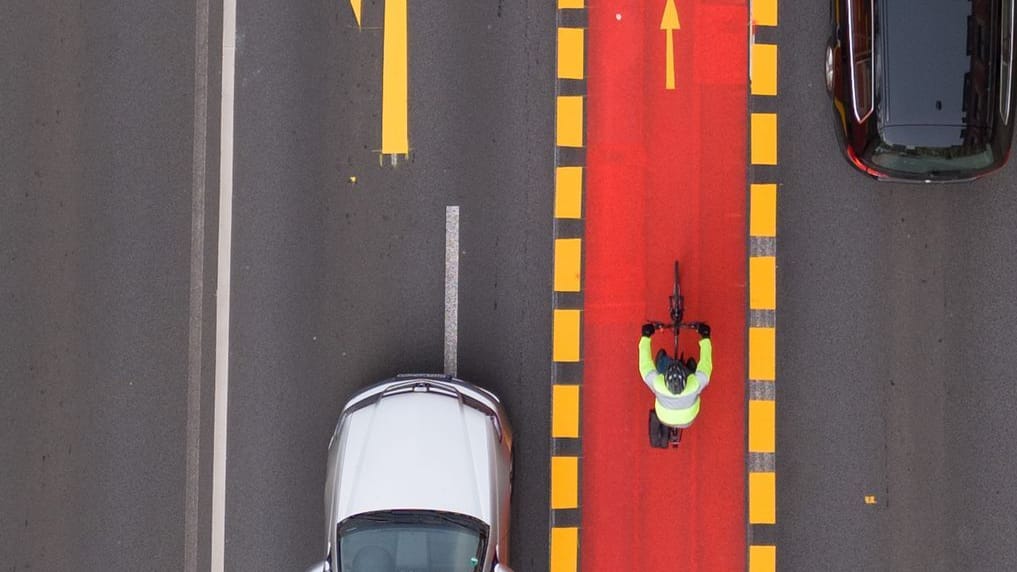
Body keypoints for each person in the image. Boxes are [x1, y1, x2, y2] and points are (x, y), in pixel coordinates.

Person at [638, 321, 713, 429]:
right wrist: (705, 336)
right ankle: (687, 367)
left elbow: (644, 365)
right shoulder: (694, 385)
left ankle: (669, 362)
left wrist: (646, 336)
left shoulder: (658, 385)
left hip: (664, 418)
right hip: (688, 420)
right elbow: (706, 365)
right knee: (693, 364)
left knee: (662, 359)